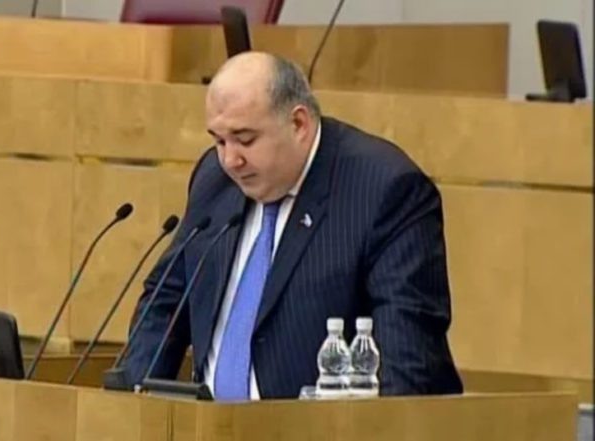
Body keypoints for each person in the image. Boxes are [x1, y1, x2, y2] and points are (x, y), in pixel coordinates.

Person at [122, 52, 463, 400]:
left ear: (299, 124)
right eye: (219, 141)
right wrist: (129, 408)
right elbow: (165, 301)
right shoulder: (215, 179)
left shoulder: (384, 189)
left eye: (245, 139)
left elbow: (408, 361)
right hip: (205, 423)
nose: (230, 160)